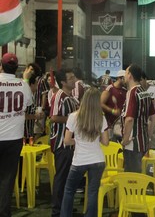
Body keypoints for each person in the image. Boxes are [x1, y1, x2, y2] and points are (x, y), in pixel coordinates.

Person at [60, 87, 109, 217]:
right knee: (93, 192)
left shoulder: (73, 117)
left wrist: (77, 141)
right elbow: (106, 142)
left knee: (69, 190)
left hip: (79, 161)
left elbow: (66, 141)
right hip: (98, 160)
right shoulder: (101, 118)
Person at [0, 53, 33, 216]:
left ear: (1, 66)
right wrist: (26, 79)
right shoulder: (23, 85)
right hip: (14, 138)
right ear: (16, 68)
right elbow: (28, 104)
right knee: (7, 178)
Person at [50, 68, 79, 217]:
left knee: (68, 178)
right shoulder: (59, 96)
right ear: (62, 82)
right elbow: (54, 117)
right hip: (62, 143)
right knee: (61, 178)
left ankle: (65, 207)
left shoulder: (72, 97)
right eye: (71, 78)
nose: (74, 80)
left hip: (70, 143)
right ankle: (57, 211)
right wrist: (73, 120)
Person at [120, 64, 155, 173]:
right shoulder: (144, 92)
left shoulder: (132, 92)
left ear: (130, 75)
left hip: (132, 144)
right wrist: (148, 136)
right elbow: (153, 117)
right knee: (141, 175)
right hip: (143, 141)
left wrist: (125, 139)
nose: (124, 75)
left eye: (126, 72)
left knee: (131, 178)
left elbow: (129, 119)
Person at [100, 69, 127, 139]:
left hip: (121, 125)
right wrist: (112, 111)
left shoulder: (125, 90)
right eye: (125, 78)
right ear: (120, 78)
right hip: (109, 125)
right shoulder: (110, 89)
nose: (127, 81)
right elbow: (100, 104)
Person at [140, 72, 155, 149]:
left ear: (145, 79)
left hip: (154, 121)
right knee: (143, 145)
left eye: (141, 80)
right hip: (141, 121)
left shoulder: (154, 88)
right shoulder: (137, 89)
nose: (140, 82)